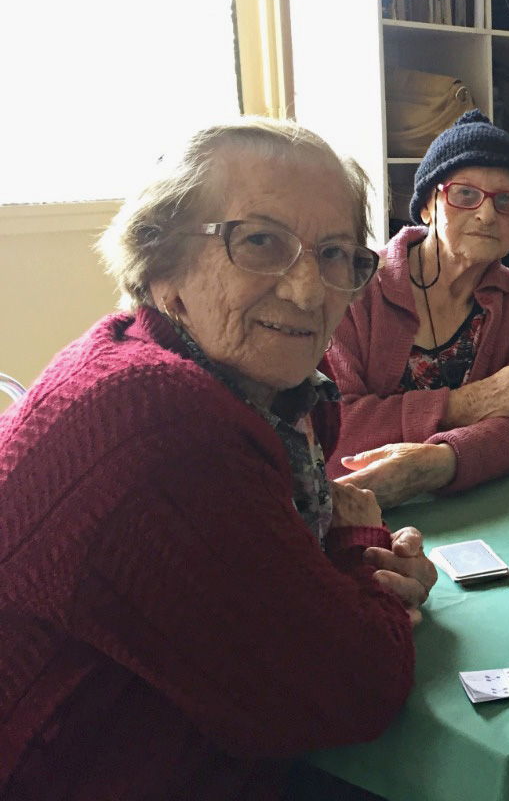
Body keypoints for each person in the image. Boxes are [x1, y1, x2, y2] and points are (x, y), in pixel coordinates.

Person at [0, 119, 437, 798]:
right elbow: (355, 690)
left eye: (334, 254)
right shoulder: (162, 422)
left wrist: (345, 563)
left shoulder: (236, 382)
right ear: (160, 258)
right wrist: (360, 550)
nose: (307, 291)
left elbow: (256, 579)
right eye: (260, 242)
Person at [326, 110, 509, 507]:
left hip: (478, 498)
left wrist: (443, 461)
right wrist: (463, 404)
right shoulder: (357, 286)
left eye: (507, 201)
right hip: (361, 504)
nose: (487, 214)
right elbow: (335, 425)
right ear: (427, 206)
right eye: (465, 194)